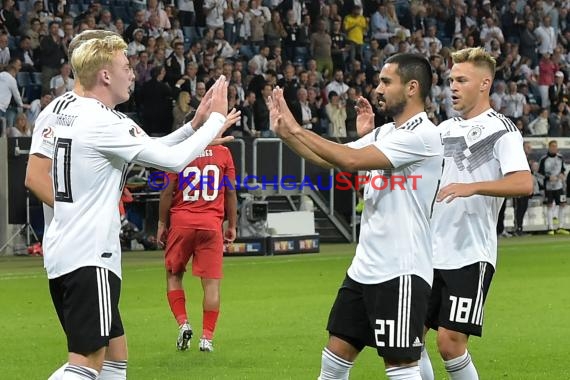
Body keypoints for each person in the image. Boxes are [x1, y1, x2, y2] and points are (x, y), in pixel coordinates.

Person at [41, 34, 234, 380]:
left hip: (66, 250)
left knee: (116, 359)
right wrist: (216, 120)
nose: (132, 74)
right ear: (105, 75)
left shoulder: (73, 112)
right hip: (90, 255)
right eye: (126, 67)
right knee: (85, 363)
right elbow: (173, 162)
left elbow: (151, 148)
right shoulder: (104, 122)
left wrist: (194, 127)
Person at [270, 53, 443, 380]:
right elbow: (332, 159)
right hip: (365, 269)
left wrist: (297, 127)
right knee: (334, 359)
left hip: (401, 270)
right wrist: (287, 134)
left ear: (412, 88)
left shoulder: (422, 134)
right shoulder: (387, 133)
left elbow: (349, 160)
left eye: (386, 82)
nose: (378, 89)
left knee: (401, 367)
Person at [420, 47, 533, 380]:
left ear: (484, 84)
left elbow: (524, 182)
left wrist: (474, 186)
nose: (452, 86)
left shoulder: (502, 130)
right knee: (408, 340)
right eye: (451, 79)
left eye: (461, 80)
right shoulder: (441, 130)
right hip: (428, 251)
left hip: (470, 253)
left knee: (450, 344)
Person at [157, 135, 238, 353]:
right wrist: (232, 224)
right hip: (211, 226)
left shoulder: (180, 151)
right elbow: (230, 191)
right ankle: (207, 338)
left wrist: (162, 223)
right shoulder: (224, 153)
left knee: (174, 275)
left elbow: (167, 190)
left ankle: (183, 323)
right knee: (211, 285)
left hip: (182, 223)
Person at [538, 140, 569, 235]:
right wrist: (548, 178)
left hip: (559, 186)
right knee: (549, 205)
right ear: (549, 147)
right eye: (552, 146)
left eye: (556, 146)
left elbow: (563, 170)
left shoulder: (560, 158)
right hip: (549, 187)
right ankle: (550, 227)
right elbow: (539, 173)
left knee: (562, 204)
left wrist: (562, 175)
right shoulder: (544, 159)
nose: (554, 148)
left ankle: (561, 226)